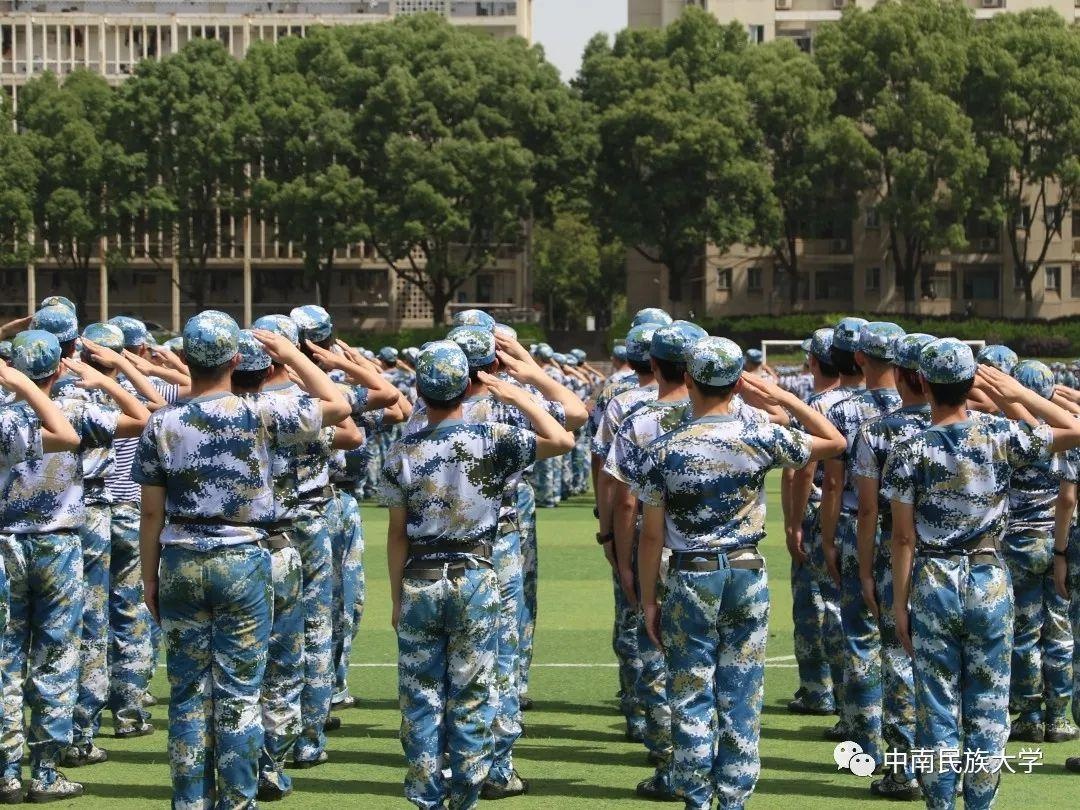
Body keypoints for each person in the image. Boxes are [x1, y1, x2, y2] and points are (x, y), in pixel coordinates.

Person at [135, 312, 351, 808]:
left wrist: (150, 578)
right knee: (238, 693)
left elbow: (151, 511)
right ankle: (238, 799)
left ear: (185, 359)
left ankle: (190, 800)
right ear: (236, 360)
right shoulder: (260, 413)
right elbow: (337, 404)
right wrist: (293, 354)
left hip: (180, 559)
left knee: (188, 693)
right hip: (242, 558)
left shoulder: (163, 422)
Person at [636, 336, 845, 810]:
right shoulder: (758, 435)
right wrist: (786, 399)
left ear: (688, 380)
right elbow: (834, 442)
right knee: (741, 695)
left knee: (690, 695)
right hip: (746, 572)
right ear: (736, 384)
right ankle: (733, 799)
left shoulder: (662, 450)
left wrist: (650, 599)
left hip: (690, 574)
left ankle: (696, 797)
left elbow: (650, 538)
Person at [378, 341, 574, 810]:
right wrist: (519, 397)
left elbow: (397, 536)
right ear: (468, 387)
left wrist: (395, 597)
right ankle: (465, 793)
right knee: (472, 692)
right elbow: (563, 439)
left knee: (421, 696)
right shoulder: (491, 439)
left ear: (421, 392)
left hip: (420, 576)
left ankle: (426, 796)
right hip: (475, 573)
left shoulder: (402, 451)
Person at [884, 347, 1080, 809]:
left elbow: (902, 539)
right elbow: (1073, 430)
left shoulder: (909, 448)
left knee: (936, 701)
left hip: (933, 576)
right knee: (988, 703)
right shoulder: (1001, 434)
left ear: (924, 385)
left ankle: (941, 802)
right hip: (989, 574)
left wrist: (899, 602)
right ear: (971, 385)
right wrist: (1016, 396)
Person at [0, 328, 144, 802]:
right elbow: (142, 419)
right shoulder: (76, 411)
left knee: (6, 661)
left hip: (5, 548)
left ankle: (5, 770)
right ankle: (44, 771)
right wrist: (106, 379)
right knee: (57, 657)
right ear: (60, 365)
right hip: (58, 545)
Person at [604, 320, 705, 801]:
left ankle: (673, 766)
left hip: (658, 550)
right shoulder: (735, 414)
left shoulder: (637, 419)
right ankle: (717, 767)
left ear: (653, 364)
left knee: (657, 653)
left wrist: (621, 558)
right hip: (723, 556)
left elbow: (624, 502)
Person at [53, 325, 161, 769]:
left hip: (80, 511)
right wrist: (123, 372)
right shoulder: (113, 396)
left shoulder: (57, 394)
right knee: (127, 610)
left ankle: (77, 722)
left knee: (83, 617)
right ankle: (129, 711)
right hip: (118, 511)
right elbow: (154, 411)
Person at [851, 332, 936, 801]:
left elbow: (867, 511)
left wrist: (865, 570)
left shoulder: (878, 432)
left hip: (895, 557)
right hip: (966, 560)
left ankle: (903, 770)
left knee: (900, 661)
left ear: (904, 376)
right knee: (954, 669)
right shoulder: (979, 425)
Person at [820, 321, 904, 763]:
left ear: (859, 359)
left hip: (859, 528)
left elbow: (833, 486)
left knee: (860, 635)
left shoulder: (844, 409)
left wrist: (829, 537)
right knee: (905, 642)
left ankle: (867, 738)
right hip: (916, 537)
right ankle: (907, 750)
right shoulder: (921, 408)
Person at [1003, 360, 1078, 744]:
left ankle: (1030, 713)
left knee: (1025, 631)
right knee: (1060, 630)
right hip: (1057, 537)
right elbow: (1067, 496)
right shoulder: (1068, 430)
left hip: (1019, 540)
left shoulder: (1011, 432)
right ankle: (1059, 716)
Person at [783, 327, 849, 718]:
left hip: (820, 507)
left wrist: (793, 522)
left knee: (812, 603)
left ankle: (816, 689)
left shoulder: (818, 407)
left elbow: (801, 471)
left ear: (813, 362)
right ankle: (851, 695)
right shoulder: (877, 403)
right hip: (862, 512)